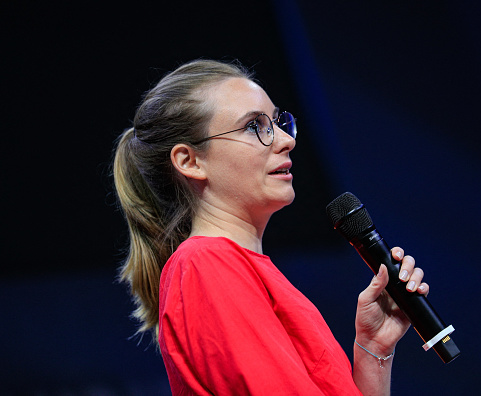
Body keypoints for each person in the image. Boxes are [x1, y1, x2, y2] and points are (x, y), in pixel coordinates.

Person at [113, 59, 429, 395]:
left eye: (277, 122)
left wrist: (374, 350)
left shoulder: (237, 268)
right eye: (254, 126)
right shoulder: (205, 264)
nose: (284, 140)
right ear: (191, 161)